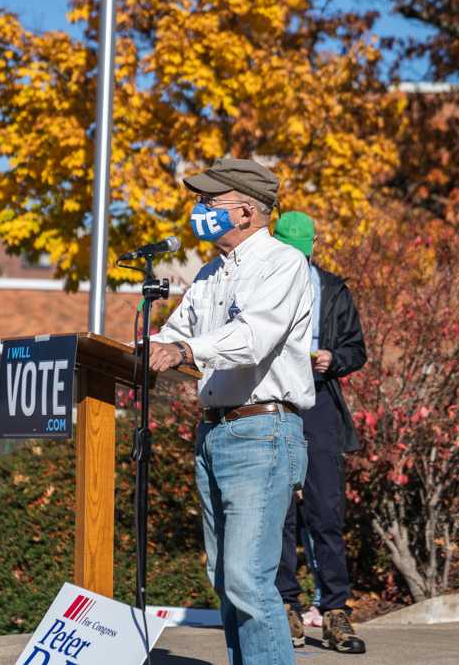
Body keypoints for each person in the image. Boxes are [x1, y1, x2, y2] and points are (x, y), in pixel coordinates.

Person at [148, 158, 312, 665]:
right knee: (225, 578)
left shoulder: (283, 263)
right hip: (215, 433)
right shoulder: (210, 274)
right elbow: (175, 334)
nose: (198, 211)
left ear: (245, 211)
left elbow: (253, 337)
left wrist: (185, 352)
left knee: (247, 578)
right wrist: (142, 349)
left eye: (208, 202)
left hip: (263, 430)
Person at [272, 211, 367, 655]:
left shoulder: (332, 290)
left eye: (299, 251)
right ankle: (286, 606)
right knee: (278, 514)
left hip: (319, 400)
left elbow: (356, 349)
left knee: (326, 512)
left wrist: (333, 358)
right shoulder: (262, 284)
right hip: (272, 400)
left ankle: (334, 610)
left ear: (312, 247)